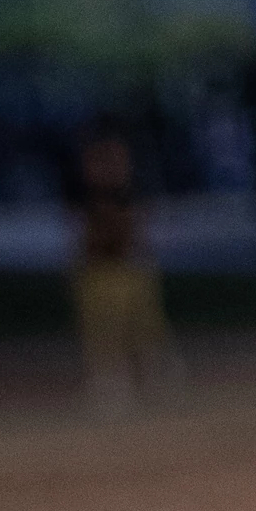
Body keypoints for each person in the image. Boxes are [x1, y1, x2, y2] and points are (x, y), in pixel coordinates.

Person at [69, 125, 181, 411]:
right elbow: (86, 234)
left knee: (145, 323)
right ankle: (110, 379)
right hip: (99, 269)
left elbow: (136, 228)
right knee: (102, 326)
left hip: (130, 267)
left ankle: (153, 374)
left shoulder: (129, 190)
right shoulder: (85, 192)